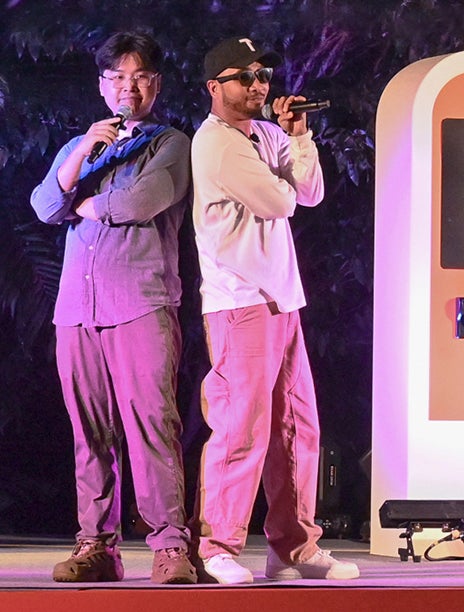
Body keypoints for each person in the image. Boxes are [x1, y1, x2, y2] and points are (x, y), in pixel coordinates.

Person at [29, 31, 197, 585]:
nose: (129, 87)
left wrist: (83, 203)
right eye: (118, 77)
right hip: (76, 309)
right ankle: (96, 546)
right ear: (103, 86)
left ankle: (170, 546)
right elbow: (45, 204)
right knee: (89, 432)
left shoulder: (170, 142)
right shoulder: (82, 146)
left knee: (152, 426)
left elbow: (142, 201)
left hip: (141, 303)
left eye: (140, 77)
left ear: (156, 85)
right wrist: (83, 151)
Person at [190, 36, 359, 584]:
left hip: (282, 299)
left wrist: (298, 135)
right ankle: (217, 547)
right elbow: (281, 201)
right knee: (241, 428)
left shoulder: (266, 132)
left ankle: (294, 548)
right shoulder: (216, 144)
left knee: (297, 427)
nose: (258, 86)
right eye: (244, 77)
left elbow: (309, 192)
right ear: (215, 87)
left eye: (262, 76)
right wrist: (285, 173)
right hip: (239, 301)